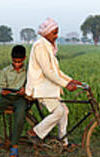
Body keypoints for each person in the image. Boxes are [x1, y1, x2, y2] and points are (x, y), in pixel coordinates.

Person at [25, 17, 82, 147]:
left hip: (47, 87)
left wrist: (71, 80)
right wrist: (66, 85)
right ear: (46, 33)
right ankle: (35, 132)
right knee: (59, 112)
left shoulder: (48, 47)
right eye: (54, 33)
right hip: (40, 87)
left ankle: (63, 142)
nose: (56, 36)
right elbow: (47, 72)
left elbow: (56, 71)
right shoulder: (40, 46)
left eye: (57, 32)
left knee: (64, 111)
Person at [0, 45, 28, 157]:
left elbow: (30, 85)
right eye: (15, 61)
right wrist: (3, 91)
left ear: (24, 59)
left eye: (19, 62)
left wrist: (25, 90)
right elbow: (1, 87)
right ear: (11, 59)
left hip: (20, 99)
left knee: (20, 115)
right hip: (6, 98)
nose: (17, 64)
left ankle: (14, 145)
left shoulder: (28, 71)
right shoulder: (5, 71)